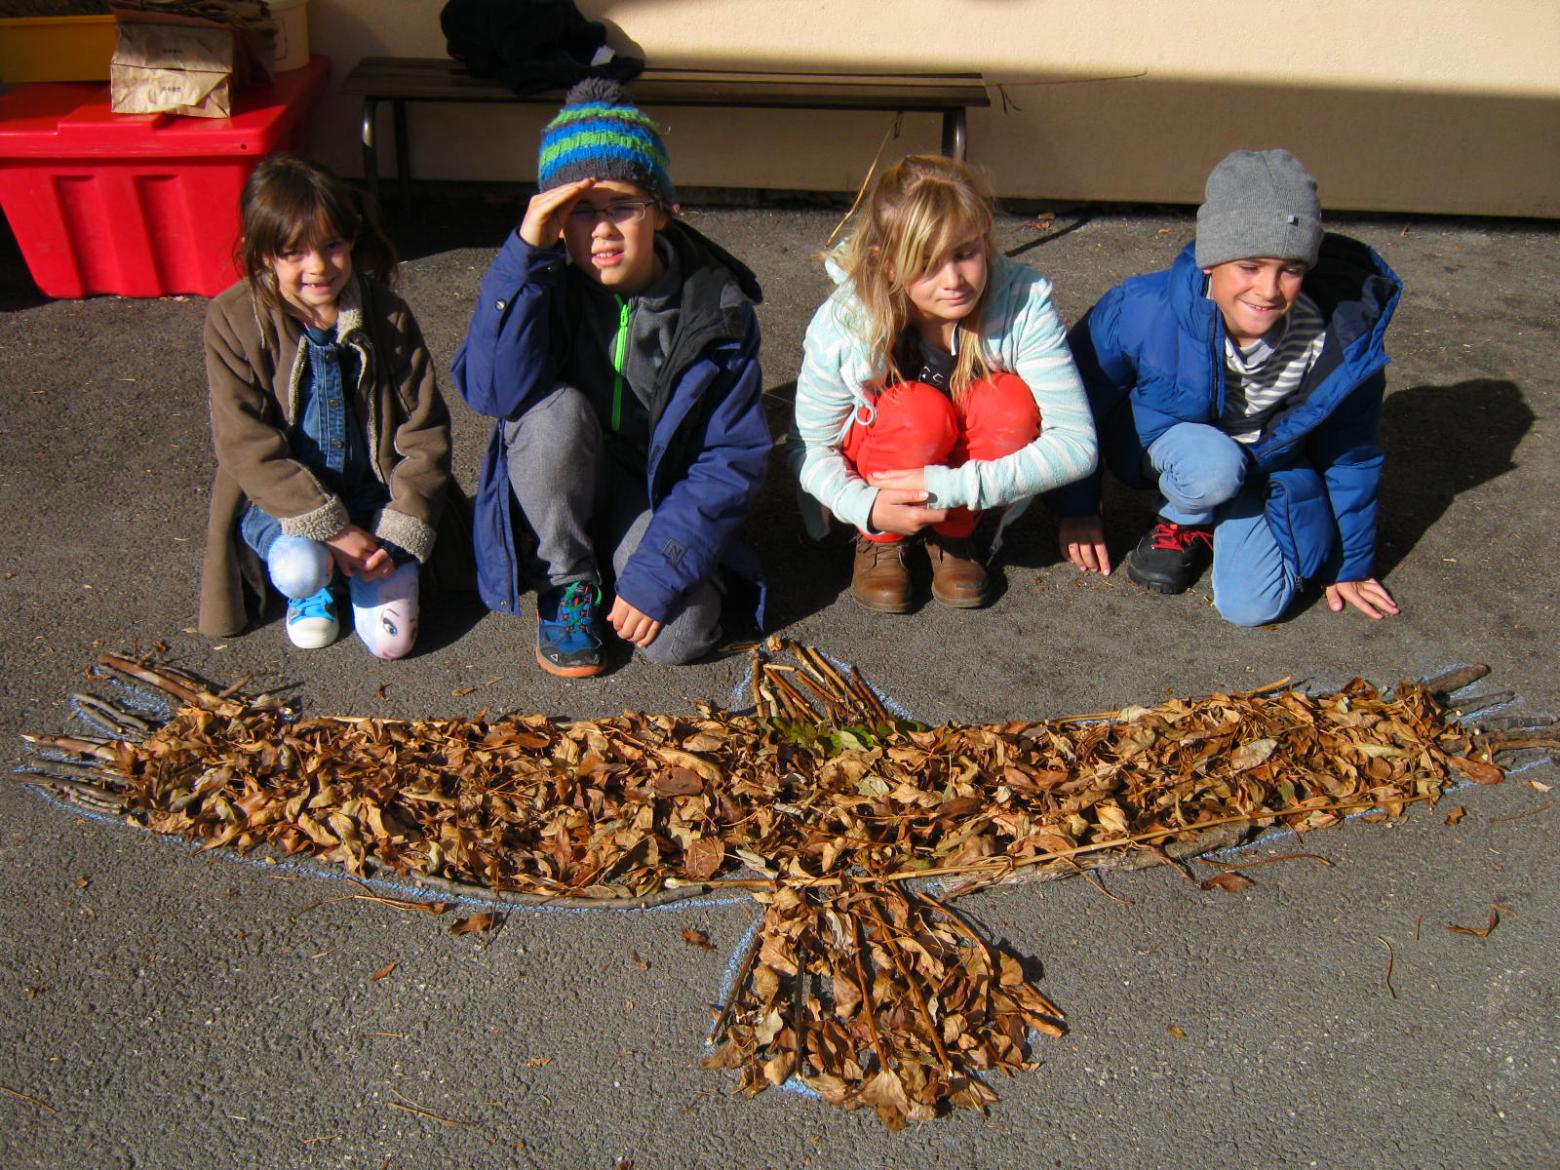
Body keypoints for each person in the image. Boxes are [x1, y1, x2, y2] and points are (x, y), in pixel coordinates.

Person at [453, 79, 769, 676]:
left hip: (650, 492)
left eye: (623, 205)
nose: (602, 230)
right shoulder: (542, 282)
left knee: (682, 635)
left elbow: (731, 457)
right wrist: (523, 256)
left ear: (661, 211)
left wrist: (659, 568)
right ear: (553, 219)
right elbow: (493, 393)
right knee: (554, 413)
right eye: (579, 211)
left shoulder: (714, 311)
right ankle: (567, 576)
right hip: (560, 475)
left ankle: (619, 562)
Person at [1049, 148, 1403, 626]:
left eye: (1291, 269)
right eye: (1251, 266)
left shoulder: (1341, 340)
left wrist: (1351, 563)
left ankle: (1222, 517)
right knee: (1214, 468)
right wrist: (1078, 508)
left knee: (1253, 607)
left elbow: (1352, 451)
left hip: (1265, 464)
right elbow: (1076, 402)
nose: (1269, 290)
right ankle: (1186, 518)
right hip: (1175, 451)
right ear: (1211, 261)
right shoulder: (1139, 307)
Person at [792, 154, 1097, 612]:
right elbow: (809, 446)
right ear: (887, 264)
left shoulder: (1023, 301)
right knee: (917, 411)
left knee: (1009, 404)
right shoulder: (845, 322)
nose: (953, 280)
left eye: (965, 254)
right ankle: (883, 538)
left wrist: (957, 490)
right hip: (882, 462)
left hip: (962, 482)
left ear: (986, 233)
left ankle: (957, 531)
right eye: (927, 264)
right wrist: (862, 504)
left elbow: (1077, 445)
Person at [198, 154, 454, 659]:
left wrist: (399, 526)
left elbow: (425, 431)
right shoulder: (231, 318)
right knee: (300, 568)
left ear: (352, 239)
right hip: (287, 506)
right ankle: (317, 586)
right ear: (262, 254)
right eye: (294, 253)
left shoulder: (387, 313)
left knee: (392, 644)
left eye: (332, 246)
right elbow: (245, 443)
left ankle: (366, 571)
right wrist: (331, 530)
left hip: (377, 499)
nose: (317, 266)